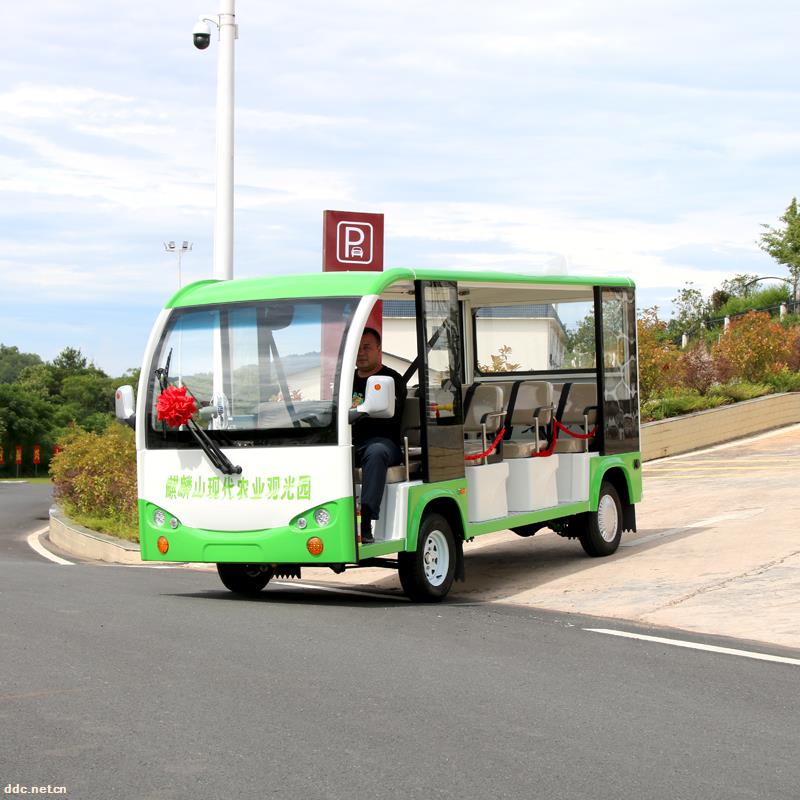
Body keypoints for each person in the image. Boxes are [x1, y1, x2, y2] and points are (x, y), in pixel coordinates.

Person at [351, 327, 406, 543]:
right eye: (358, 348)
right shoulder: (346, 379)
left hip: (383, 442)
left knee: (376, 452)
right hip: (351, 442)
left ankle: (365, 521)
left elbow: (390, 416)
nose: (361, 353)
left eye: (367, 347)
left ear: (379, 349)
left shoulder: (392, 379)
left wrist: (357, 413)